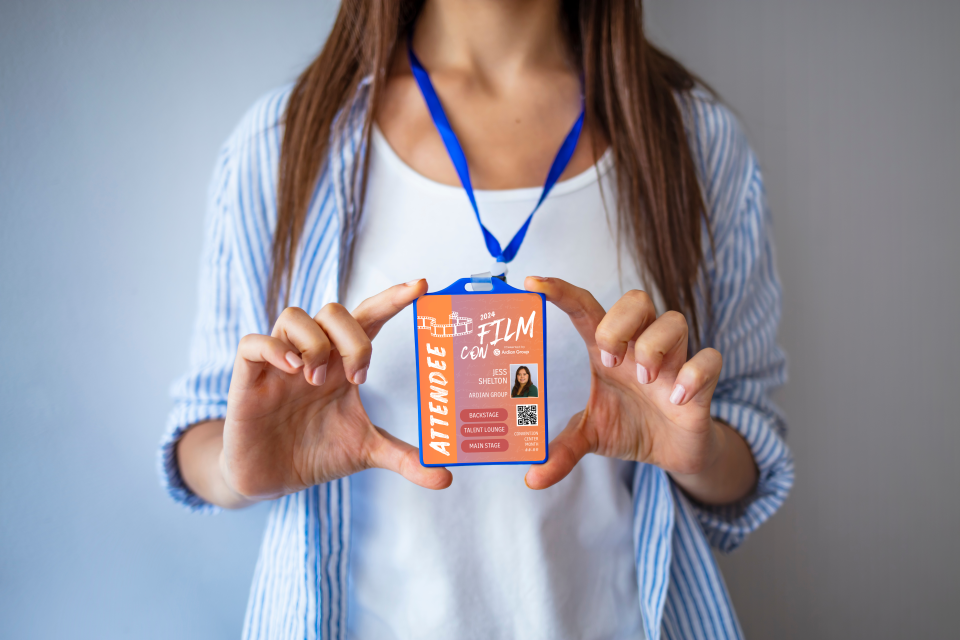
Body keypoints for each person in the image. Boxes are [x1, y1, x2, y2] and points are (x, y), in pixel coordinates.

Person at [161, 1, 793, 638]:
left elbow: (749, 437)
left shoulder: (695, 140)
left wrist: (699, 449)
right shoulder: (283, 140)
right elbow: (201, 428)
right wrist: (235, 469)